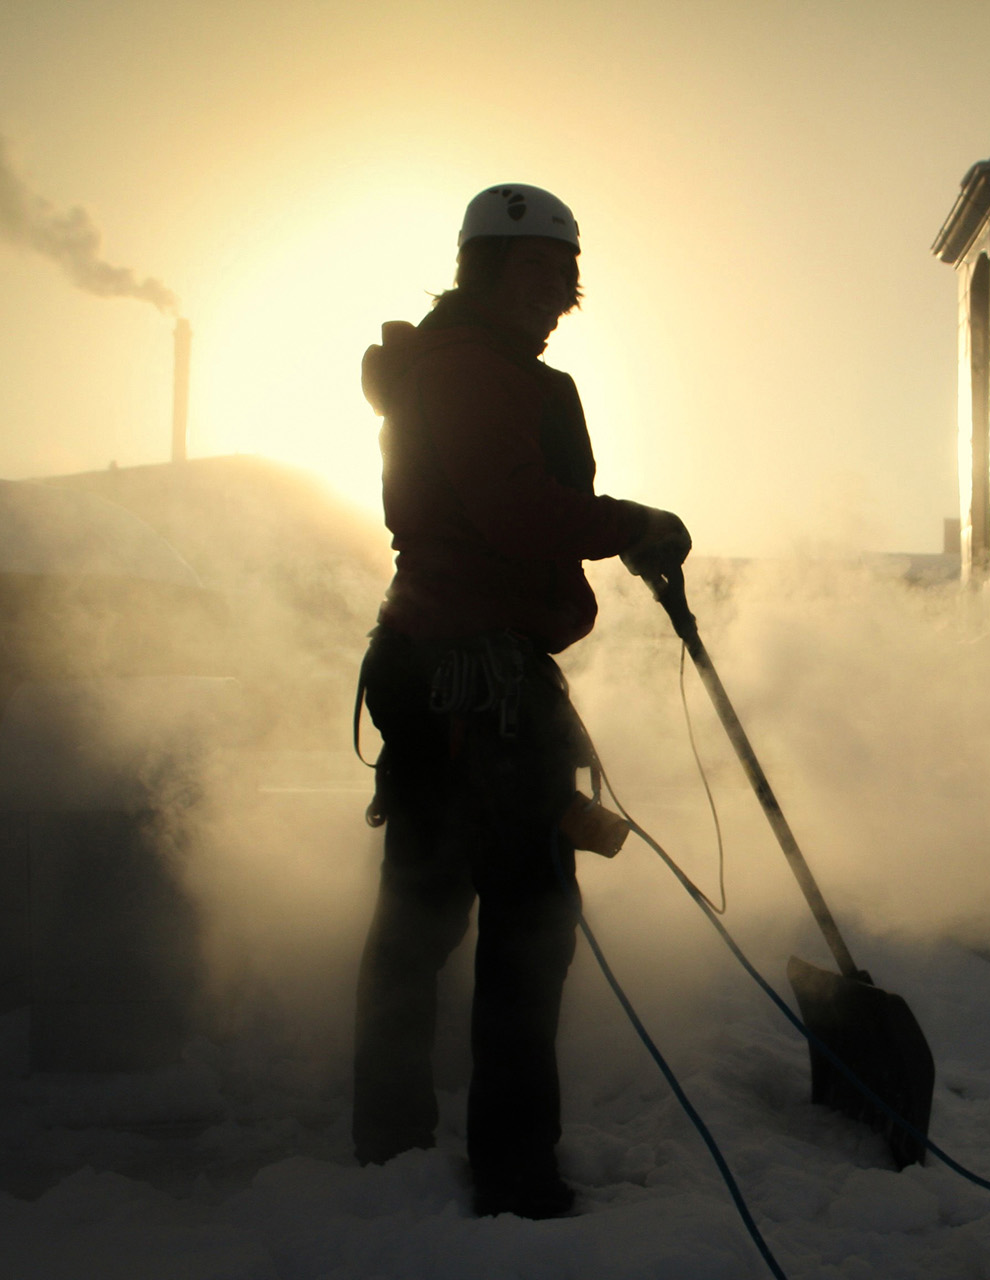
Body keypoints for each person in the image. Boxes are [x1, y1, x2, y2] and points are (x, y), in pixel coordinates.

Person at [351, 184, 689, 1219]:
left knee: (425, 914)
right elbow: (506, 507)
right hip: (473, 680)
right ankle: (512, 1172)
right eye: (536, 269)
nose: (555, 291)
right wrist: (625, 521)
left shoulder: (464, 369)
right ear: (484, 270)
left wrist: (610, 529)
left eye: (564, 273)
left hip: (447, 666)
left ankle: (395, 1144)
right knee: (526, 917)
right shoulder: (469, 371)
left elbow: (501, 509)